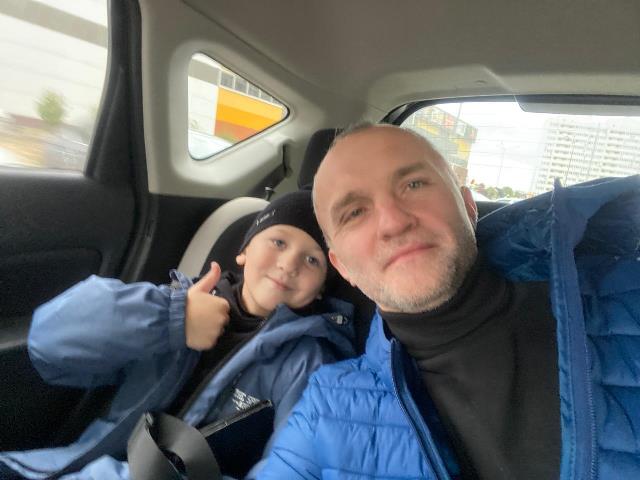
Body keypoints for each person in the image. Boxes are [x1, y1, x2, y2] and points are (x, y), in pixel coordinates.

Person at [257, 124, 640, 479]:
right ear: (343, 267)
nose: (393, 222)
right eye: (355, 212)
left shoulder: (626, 300)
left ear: (469, 207)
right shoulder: (326, 408)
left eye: (414, 184)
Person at [0, 190, 355, 480]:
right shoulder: (177, 302)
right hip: (70, 465)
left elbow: (293, 466)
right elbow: (49, 343)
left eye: (313, 260)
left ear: (321, 289)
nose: (289, 263)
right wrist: (172, 319)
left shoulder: (309, 362)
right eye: (278, 241)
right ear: (244, 252)